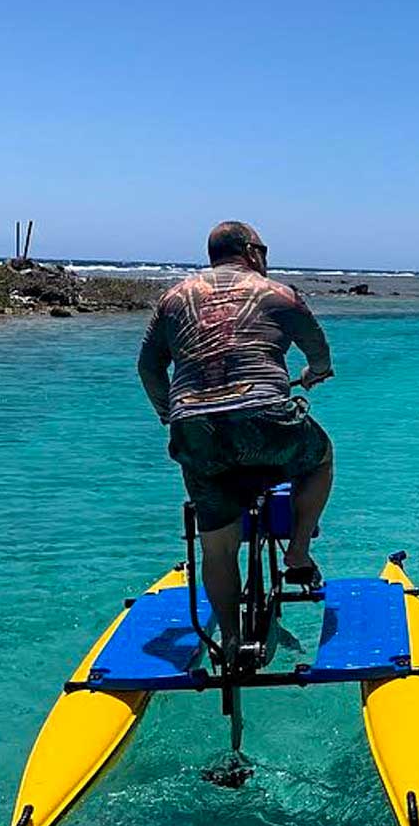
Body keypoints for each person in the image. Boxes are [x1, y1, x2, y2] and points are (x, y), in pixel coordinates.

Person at [138, 221, 333, 652]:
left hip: (197, 431)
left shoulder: (173, 299)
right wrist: (312, 375)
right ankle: (298, 551)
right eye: (263, 248)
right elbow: (319, 354)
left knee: (218, 547)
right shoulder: (278, 294)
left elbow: (149, 367)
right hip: (264, 421)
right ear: (250, 250)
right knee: (320, 458)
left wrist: (172, 418)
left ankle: (228, 637)